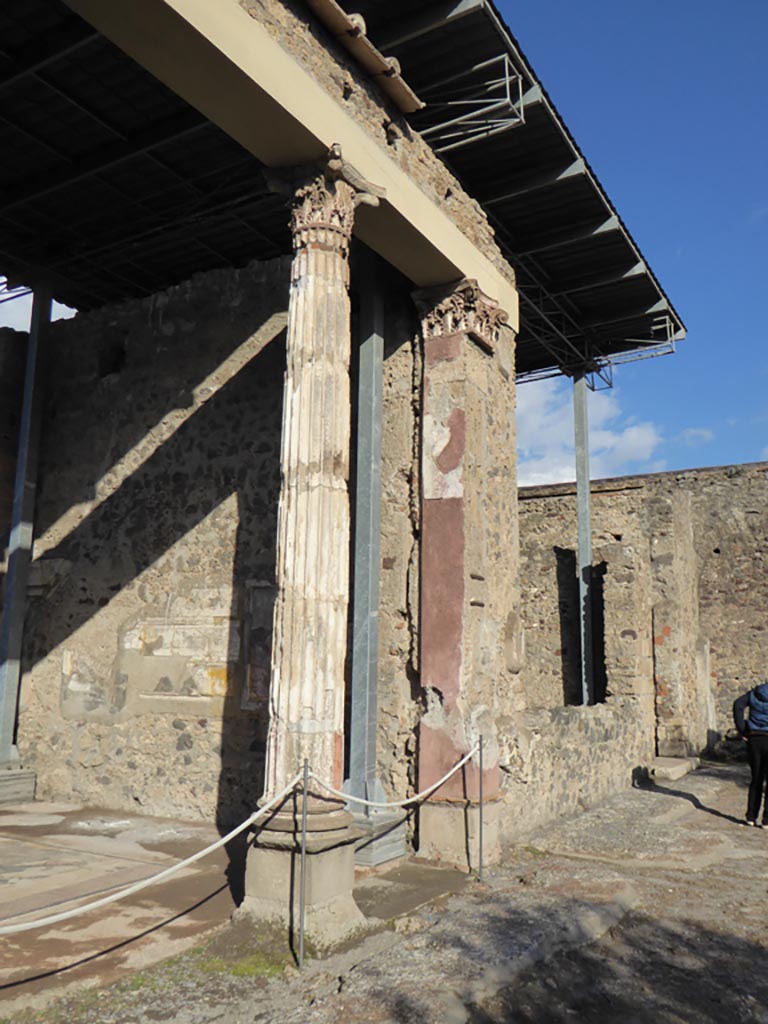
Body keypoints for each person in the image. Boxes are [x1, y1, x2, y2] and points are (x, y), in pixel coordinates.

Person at [733, 682, 768, 827]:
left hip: (754, 738)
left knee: (756, 779)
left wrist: (742, 729)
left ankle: (751, 817)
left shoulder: (754, 693)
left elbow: (738, 705)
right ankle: (766, 821)